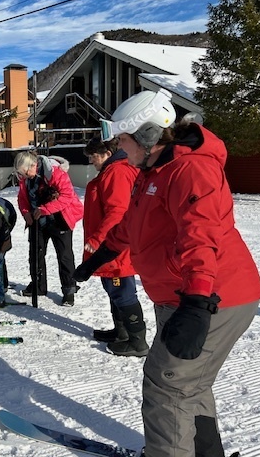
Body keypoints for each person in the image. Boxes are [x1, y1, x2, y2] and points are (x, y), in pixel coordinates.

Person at [74, 89, 260, 456]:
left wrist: (196, 301)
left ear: (147, 136)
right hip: (183, 295)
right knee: (191, 386)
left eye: (124, 141)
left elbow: (201, 236)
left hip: (213, 297)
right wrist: (101, 256)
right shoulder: (152, 171)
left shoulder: (191, 170)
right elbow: (132, 223)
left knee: (167, 386)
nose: (120, 150)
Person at [82, 136, 148, 357]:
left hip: (114, 246)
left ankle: (137, 341)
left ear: (107, 154)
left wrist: (97, 239)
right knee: (113, 289)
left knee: (122, 291)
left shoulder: (116, 173)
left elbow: (117, 212)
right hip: (111, 245)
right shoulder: (114, 170)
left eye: (94, 156)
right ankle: (121, 333)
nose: (92, 161)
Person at [14, 152, 83, 306]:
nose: (25, 176)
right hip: (38, 220)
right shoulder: (25, 179)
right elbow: (22, 198)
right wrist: (26, 213)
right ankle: (38, 286)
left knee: (64, 256)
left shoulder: (55, 172)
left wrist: (45, 209)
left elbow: (67, 196)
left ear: (33, 165)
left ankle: (69, 290)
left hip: (60, 219)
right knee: (36, 254)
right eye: (22, 174)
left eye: (26, 172)